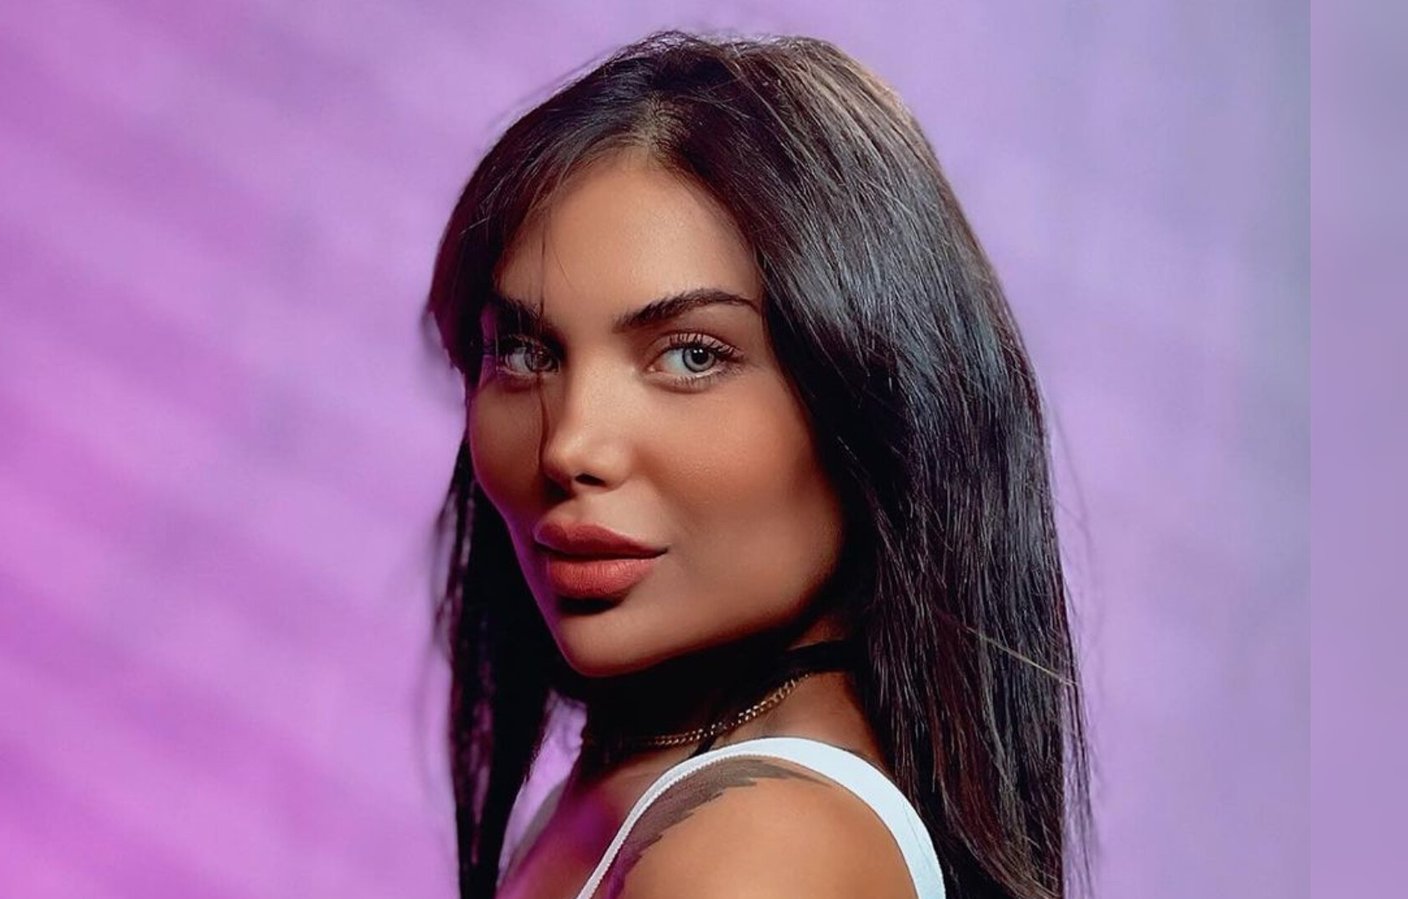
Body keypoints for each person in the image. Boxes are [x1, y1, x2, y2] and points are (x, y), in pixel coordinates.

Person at [421, 29, 1093, 899]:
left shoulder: (762, 855)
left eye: (692, 355)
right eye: (523, 351)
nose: (570, 446)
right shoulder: (637, 785)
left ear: (876, 402)